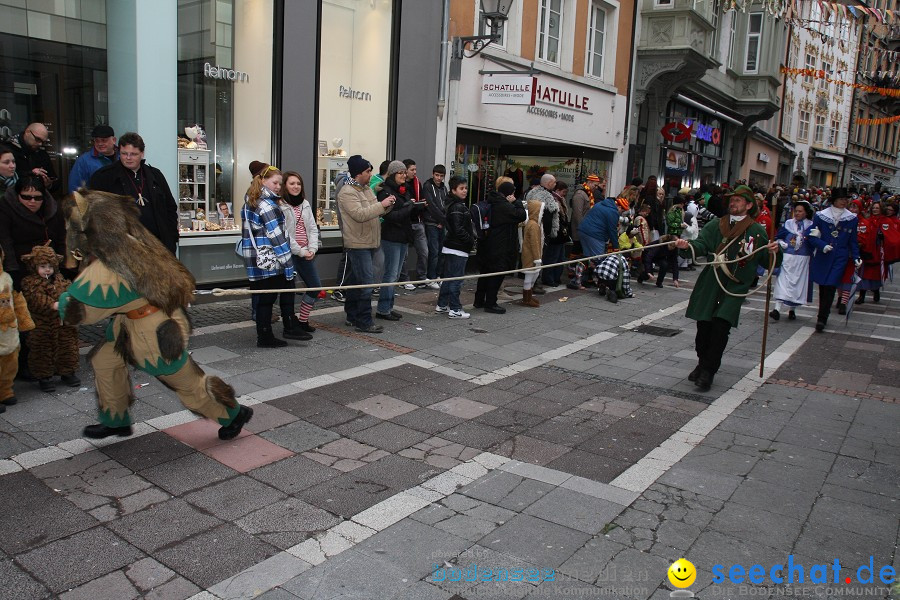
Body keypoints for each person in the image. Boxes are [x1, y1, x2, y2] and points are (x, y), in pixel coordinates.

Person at [61, 189, 252, 441]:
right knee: (106, 361)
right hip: (130, 323)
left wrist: (61, 304)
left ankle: (232, 413)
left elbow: (80, 310)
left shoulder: (110, 263)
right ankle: (115, 419)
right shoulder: (128, 243)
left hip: (152, 330)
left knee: (185, 382)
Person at [674, 185, 781, 391]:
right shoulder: (716, 224)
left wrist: (775, 250)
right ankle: (702, 362)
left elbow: (770, 262)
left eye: (739, 200)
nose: (733, 203)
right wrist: (687, 247)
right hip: (711, 283)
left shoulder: (757, 231)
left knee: (720, 329)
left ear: (749, 205)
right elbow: (702, 245)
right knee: (703, 330)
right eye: (732, 199)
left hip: (734, 287)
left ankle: (708, 372)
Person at [89, 132, 179, 254]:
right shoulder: (103, 177)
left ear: (142, 154)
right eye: (124, 154)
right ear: (118, 152)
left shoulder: (155, 175)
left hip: (158, 247)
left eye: (133, 154)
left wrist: (171, 237)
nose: (128, 158)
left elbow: (170, 208)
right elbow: (95, 215)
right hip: (123, 249)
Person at [238, 165, 298, 347]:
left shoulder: (250, 200)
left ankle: (264, 335)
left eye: (280, 183)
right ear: (263, 181)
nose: (278, 187)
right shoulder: (267, 205)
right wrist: (288, 265)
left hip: (254, 258)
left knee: (263, 299)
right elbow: (277, 237)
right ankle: (265, 337)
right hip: (269, 260)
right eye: (275, 182)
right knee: (267, 299)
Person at [337, 155, 394, 333]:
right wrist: (381, 205)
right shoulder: (347, 192)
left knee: (356, 281)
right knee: (366, 283)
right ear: (358, 173)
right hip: (357, 243)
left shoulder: (366, 189)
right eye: (368, 171)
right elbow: (360, 215)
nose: (371, 174)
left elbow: (375, 211)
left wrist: (388, 205)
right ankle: (364, 321)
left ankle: (352, 316)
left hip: (370, 241)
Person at [19, 245, 79, 392]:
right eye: (43, 266)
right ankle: (44, 376)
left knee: (67, 347)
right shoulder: (30, 282)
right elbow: (35, 299)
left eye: (50, 266)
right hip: (42, 324)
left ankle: (67, 372)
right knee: (42, 350)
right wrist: (52, 304)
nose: (47, 270)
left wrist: (70, 299)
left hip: (63, 323)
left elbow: (68, 290)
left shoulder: (60, 279)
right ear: (34, 266)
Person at [0, 175, 66, 290]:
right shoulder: (5, 208)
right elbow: (5, 241)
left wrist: (63, 265)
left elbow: (61, 238)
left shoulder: (53, 209)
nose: (32, 201)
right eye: (26, 197)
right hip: (22, 266)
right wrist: (12, 270)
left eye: (37, 198)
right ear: (17, 195)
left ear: (43, 197)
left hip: (51, 265)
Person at [807, 188, 859, 332]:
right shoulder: (820, 216)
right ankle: (823, 313)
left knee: (830, 285)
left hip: (840, 256)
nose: (845, 201)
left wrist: (856, 257)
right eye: (842, 199)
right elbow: (811, 236)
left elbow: (853, 241)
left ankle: (822, 318)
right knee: (823, 286)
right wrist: (822, 246)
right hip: (824, 255)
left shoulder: (852, 218)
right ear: (834, 200)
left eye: (846, 199)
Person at [474, 178, 526, 313]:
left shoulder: (492, 200)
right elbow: (521, 215)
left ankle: (479, 300)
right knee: (496, 274)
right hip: (500, 246)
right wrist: (516, 202)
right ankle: (491, 303)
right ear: (509, 193)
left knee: (485, 273)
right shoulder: (504, 205)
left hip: (487, 244)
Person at [377, 160, 420, 321]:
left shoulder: (404, 190)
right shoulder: (385, 191)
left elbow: (405, 212)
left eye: (404, 172)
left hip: (403, 236)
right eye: (400, 173)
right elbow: (391, 216)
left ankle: (388, 306)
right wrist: (409, 207)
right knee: (390, 274)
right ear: (393, 174)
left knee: (395, 275)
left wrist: (415, 207)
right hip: (391, 237)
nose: (403, 175)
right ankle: (383, 309)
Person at [280, 171, 320, 339]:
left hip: (306, 253)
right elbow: (285, 234)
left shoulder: (305, 203)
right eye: (292, 183)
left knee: (315, 286)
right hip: (289, 254)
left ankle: (303, 321)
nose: (296, 186)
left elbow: (312, 227)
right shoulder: (280, 205)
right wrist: (301, 251)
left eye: (298, 183)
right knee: (288, 291)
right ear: (284, 186)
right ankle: (289, 325)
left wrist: (312, 248)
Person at [435, 176, 475, 319]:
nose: (464, 191)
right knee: (455, 280)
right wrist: (470, 240)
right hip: (458, 248)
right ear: (453, 190)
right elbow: (458, 229)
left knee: (449, 278)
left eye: (465, 188)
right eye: (461, 188)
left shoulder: (453, 204)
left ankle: (442, 305)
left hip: (452, 246)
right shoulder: (457, 206)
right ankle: (455, 309)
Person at [0, 249, 33, 413]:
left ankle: (5, 391)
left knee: (10, 362)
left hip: (10, 332)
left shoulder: (7, 278)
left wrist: (24, 320)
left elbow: (18, 301)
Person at [769, 200, 814, 321]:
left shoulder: (811, 226)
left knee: (797, 284)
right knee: (782, 281)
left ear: (806, 213)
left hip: (802, 259)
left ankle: (792, 310)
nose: (797, 213)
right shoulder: (788, 224)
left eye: (800, 211)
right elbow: (778, 236)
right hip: (787, 258)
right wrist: (780, 242)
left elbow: (813, 242)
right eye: (796, 211)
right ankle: (776, 309)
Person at [568, 174, 602, 289]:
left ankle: (580, 276)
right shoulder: (580, 194)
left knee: (582, 253)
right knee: (578, 252)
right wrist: (584, 229)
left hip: (584, 229)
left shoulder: (587, 194)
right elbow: (578, 215)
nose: (596, 188)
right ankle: (573, 274)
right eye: (595, 185)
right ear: (590, 183)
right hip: (580, 230)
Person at [402, 159, 429, 288]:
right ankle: (404, 279)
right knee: (404, 255)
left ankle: (421, 278)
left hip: (418, 222)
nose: (415, 172)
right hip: (406, 223)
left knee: (424, 252)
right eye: (412, 170)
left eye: (415, 169)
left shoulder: (417, 183)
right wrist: (415, 205)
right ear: (405, 171)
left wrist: (420, 205)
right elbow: (404, 206)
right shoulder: (400, 185)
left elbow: (422, 202)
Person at [68, 124, 118, 192]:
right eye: (97, 141)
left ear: (114, 140)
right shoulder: (84, 161)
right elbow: (74, 187)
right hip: (95, 201)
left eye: (104, 140)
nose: (100, 144)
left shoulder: (123, 156)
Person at [10, 123, 58, 193]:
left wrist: (49, 184)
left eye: (43, 142)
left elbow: (54, 180)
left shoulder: (42, 154)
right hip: (14, 196)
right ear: (27, 132)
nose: (40, 144)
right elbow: (5, 177)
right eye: (37, 139)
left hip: (38, 197)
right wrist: (30, 173)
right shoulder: (9, 149)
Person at [423, 164, 448, 285]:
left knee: (441, 251)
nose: (438, 178)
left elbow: (446, 204)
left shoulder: (444, 188)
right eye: (437, 175)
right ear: (433, 174)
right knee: (433, 251)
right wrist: (442, 220)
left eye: (441, 176)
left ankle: (438, 275)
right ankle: (431, 277)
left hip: (441, 223)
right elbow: (431, 206)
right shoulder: (428, 186)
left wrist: (442, 221)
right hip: (431, 222)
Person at [542, 180, 570, 287]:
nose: (564, 194)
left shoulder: (559, 199)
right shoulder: (553, 200)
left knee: (559, 257)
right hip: (556, 233)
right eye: (563, 192)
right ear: (557, 190)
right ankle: (549, 278)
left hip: (560, 232)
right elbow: (554, 217)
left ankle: (555, 277)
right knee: (552, 257)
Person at [520, 191, 545, 308]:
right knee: (530, 276)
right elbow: (534, 243)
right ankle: (526, 298)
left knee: (531, 275)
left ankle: (528, 296)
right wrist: (537, 258)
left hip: (531, 254)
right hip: (531, 255)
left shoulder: (532, 223)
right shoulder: (534, 225)